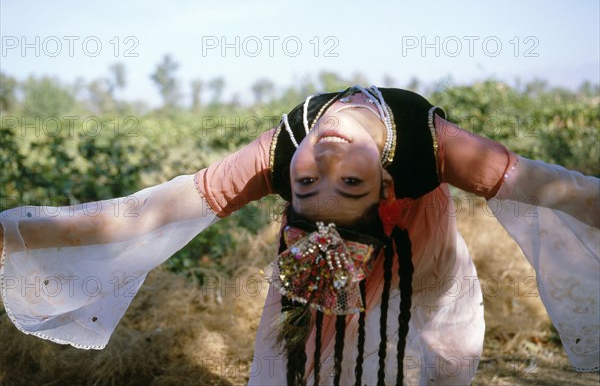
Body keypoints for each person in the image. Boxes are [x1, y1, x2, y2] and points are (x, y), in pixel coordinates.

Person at [0, 85, 598, 385]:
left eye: (314, 180)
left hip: (420, 249)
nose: (325, 159)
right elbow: (141, 217)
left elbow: (558, 192)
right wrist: (13, 234)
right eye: (322, 179)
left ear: (390, 185)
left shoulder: (426, 149)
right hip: (317, 258)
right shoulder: (298, 155)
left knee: (441, 345)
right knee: (302, 361)